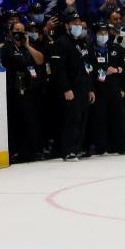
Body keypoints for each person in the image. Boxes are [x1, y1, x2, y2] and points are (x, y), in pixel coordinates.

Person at [0, 18, 45, 163]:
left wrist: (27, 46)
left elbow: (40, 60)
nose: (20, 33)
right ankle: (17, 151)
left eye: (22, 30)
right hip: (15, 89)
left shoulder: (27, 47)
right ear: (10, 32)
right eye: (16, 31)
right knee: (18, 121)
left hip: (31, 88)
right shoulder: (6, 48)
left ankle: (33, 150)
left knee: (32, 120)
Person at [51, 11, 94, 161]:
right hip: (71, 88)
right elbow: (58, 69)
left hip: (83, 88)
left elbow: (86, 68)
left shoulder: (81, 43)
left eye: (79, 23)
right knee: (71, 120)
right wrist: (66, 88)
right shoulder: (61, 43)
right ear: (67, 25)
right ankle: (68, 150)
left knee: (82, 119)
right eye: (74, 23)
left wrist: (90, 89)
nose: (77, 25)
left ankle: (77, 148)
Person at [88, 22, 125, 155]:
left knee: (119, 119)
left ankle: (121, 145)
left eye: (105, 33)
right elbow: (88, 70)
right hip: (98, 89)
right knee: (99, 119)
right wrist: (100, 73)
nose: (103, 35)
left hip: (114, 89)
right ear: (95, 34)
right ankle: (101, 146)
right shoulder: (90, 50)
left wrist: (118, 71)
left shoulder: (116, 48)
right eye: (100, 33)